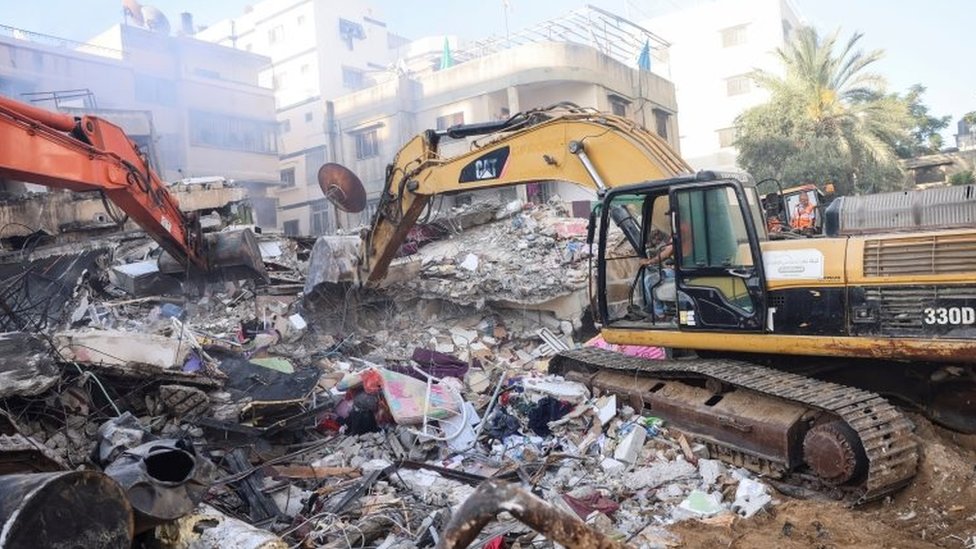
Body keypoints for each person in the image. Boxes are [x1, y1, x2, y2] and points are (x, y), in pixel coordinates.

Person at [640, 226, 675, 318]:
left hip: (677, 272)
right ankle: (666, 308)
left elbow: (667, 252)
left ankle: (659, 314)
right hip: (675, 268)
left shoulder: (680, 231)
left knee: (649, 281)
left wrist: (649, 261)